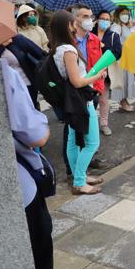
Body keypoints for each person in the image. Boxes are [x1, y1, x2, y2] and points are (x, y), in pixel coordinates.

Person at [1, 59, 54, 269]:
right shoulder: (0, 70)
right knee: (38, 260)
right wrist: (43, 127)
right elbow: (36, 135)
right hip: (17, 187)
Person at [49, 10, 106, 195]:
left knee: (73, 141)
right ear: (68, 26)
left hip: (70, 101)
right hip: (81, 100)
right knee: (92, 143)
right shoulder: (69, 50)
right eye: (73, 22)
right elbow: (77, 81)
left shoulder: (57, 48)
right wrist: (96, 75)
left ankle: (78, 176)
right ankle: (80, 181)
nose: (76, 25)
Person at [92, 10, 122, 136]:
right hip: (90, 72)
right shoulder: (89, 33)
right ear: (97, 20)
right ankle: (90, 125)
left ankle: (104, 124)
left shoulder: (113, 35)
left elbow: (117, 53)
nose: (104, 21)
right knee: (91, 101)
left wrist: (103, 47)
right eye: (102, 18)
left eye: (107, 19)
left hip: (105, 73)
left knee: (104, 100)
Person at [0, 33, 46, 108]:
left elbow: (39, 53)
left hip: (27, 83)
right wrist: (1, 46)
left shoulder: (17, 39)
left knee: (31, 110)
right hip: (9, 88)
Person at [110, 6, 135, 112]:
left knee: (127, 80)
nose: (125, 16)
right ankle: (122, 102)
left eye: (127, 13)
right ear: (118, 15)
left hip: (126, 58)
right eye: (123, 13)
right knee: (121, 81)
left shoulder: (124, 26)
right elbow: (114, 42)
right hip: (120, 58)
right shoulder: (116, 27)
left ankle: (125, 101)